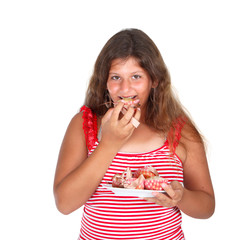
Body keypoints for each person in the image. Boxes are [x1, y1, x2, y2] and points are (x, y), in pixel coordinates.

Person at [53, 28, 215, 240]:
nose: (125, 88)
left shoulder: (180, 131)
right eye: (116, 77)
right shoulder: (85, 125)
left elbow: (207, 207)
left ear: (154, 80)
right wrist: (109, 143)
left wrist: (180, 197)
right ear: (105, 82)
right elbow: (64, 204)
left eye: (136, 77)